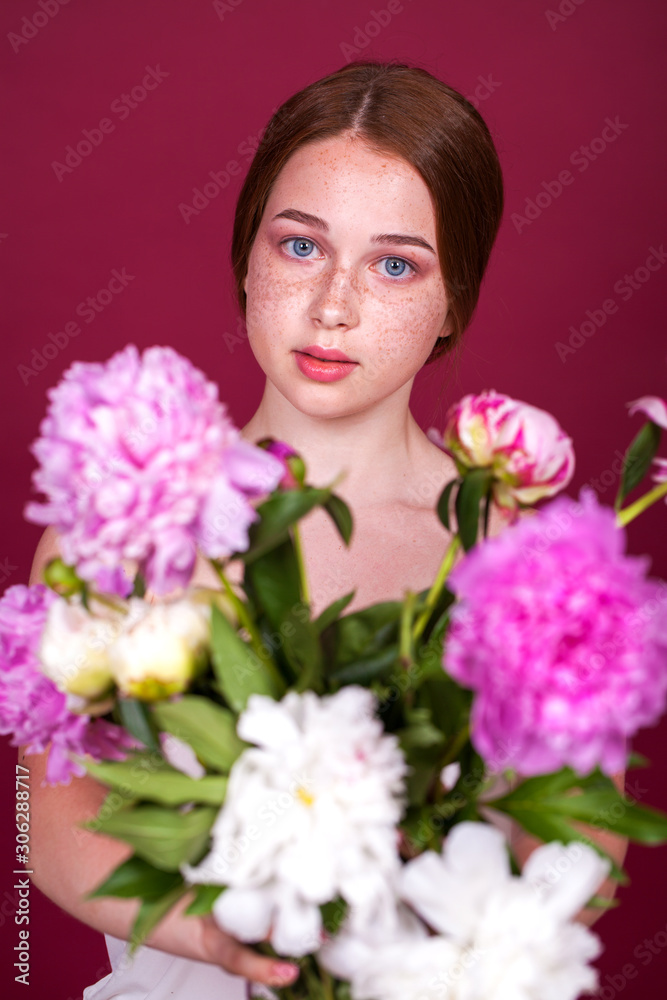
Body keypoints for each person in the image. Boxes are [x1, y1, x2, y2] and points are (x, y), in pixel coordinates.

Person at [23, 60, 627, 999]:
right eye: (300, 246)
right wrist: (224, 943)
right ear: (247, 258)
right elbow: (53, 825)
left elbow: (582, 834)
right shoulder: (115, 532)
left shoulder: (510, 552)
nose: (334, 305)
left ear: (450, 302)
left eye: (394, 264)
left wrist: (468, 960)